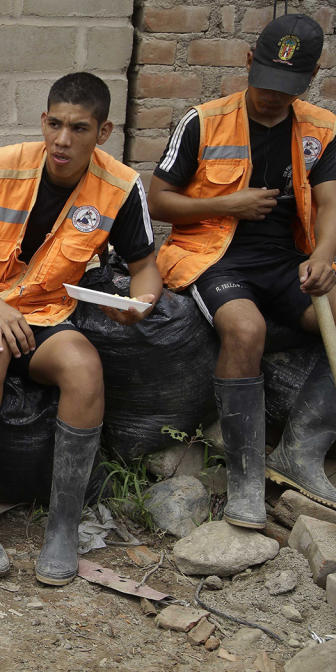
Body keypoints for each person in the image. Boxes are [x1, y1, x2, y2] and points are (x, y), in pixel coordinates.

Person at [0, 73, 161, 586]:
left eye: (78, 128)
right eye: (54, 124)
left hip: (44, 312)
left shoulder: (120, 186)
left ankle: (63, 526)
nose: (62, 140)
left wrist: (143, 301)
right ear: (43, 121)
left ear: (104, 131)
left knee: (85, 367)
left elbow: (145, 265)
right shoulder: (2, 166)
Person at [149, 13, 336, 517]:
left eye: (288, 88)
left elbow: (329, 205)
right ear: (249, 62)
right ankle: (246, 479)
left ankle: (301, 452)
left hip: (285, 261)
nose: (273, 96)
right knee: (245, 329)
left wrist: (322, 258)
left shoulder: (322, 128)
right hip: (211, 255)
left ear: (311, 78)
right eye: (267, 82)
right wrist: (228, 204)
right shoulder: (204, 119)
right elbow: (157, 202)